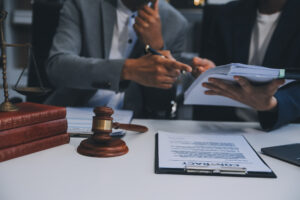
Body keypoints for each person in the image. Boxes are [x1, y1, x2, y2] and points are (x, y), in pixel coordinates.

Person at [45, 0, 191, 118]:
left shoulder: (176, 23)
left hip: (134, 125)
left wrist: (158, 48)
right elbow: (57, 67)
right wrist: (126, 70)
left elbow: (160, 105)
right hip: (71, 114)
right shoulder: (82, 4)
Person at [191, 0, 300, 130]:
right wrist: (210, 71)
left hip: (285, 129)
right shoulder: (225, 13)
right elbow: (214, 64)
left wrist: (274, 104)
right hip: (227, 126)